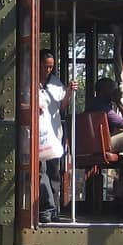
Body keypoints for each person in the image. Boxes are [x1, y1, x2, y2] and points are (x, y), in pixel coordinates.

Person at [37, 49, 76, 223]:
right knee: (41, 171)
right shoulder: (29, 81)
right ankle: (46, 207)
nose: (48, 70)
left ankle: (54, 210)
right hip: (38, 135)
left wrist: (68, 92)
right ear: (37, 64)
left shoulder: (55, 83)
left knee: (53, 172)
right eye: (45, 66)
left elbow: (62, 106)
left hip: (54, 133)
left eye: (51, 67)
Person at [86, 77, 123, 153]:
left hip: (93, 143)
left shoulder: (94, 103)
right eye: (111, 88)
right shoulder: (103, 107)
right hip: (102, 145)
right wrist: (118, 102)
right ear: (102, 91)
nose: (114, 91)